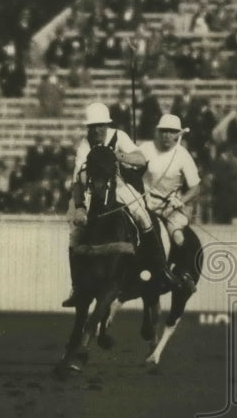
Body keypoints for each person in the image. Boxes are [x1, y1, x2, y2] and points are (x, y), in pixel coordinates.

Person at [62, 102, 175, 307]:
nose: (97, 130)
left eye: (101, 126)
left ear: (107, 125)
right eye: (93, 126)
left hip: (120, 185)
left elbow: (141, 160)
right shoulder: (84, 146)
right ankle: (77, 286)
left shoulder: (119, 136)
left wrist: (118, 156)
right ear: (88, 128)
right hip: (92, 190)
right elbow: (78, 180)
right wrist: (79, 207)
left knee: (143, 216)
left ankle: (161, 269)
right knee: (75, 234)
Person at [138, 115, 201, 253]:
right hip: (144, 206)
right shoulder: (146, 148)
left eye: (172, 131)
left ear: (178, 134)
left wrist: (181, 200)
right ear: (158, 132)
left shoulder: (183, 155)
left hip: (170, 208)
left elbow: (195, 188)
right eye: (163, 131)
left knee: (178, 237)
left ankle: (179, 271)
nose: (167, 135)